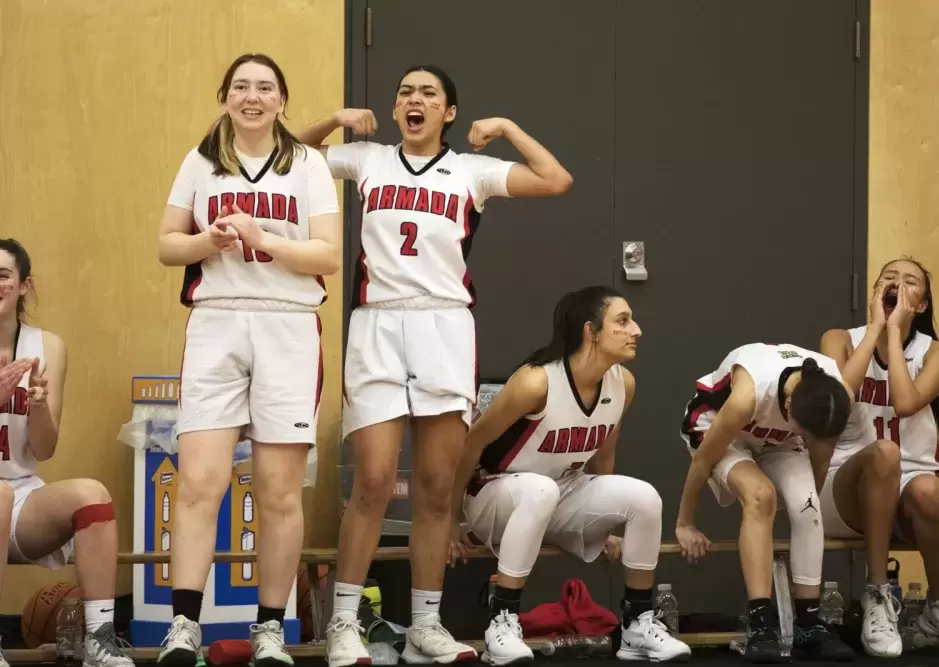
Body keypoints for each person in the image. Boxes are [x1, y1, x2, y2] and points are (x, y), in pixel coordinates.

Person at [294, 65, 573, 665]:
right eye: (404, 93)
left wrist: (509, 127)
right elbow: (290, 155)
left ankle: (426, 622)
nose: (413, 100)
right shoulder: (365, 158)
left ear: (448, 112)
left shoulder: (470, 171)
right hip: (377, 322)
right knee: (371, 480)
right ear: (395, 111)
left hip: (446, 325)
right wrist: (336, 121)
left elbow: (556, 180)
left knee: (435, 488)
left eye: (428, 94)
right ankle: (344, 620)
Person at [155, 53, 342, 667]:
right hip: (217, 322)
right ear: (226, 96)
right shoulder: (201, 159)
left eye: (265, 87)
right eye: (241, 86)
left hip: (287, 326)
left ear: (283, 100)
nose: (252, 96)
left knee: (279, 491)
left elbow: (328, 257)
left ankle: (269, 628)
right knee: (199, 482)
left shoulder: (308, 162)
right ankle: (184, 625)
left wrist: (265, 239)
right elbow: (166, 245)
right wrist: (209, 241)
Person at [447, 286, 691, 664]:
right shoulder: (536, 382)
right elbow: (471, 443)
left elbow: (604, 452)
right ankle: (501, 621)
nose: (637, 330)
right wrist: (448, 521)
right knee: (540, 489)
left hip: (559, 494)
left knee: (644, 497)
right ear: (590, 331)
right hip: (493, 495)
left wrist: (607, 524)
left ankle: (636, 625)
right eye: (623, 321)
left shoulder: (623, 384)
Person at [818, 257, 939, 658]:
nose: (897, 284)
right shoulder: (838, 338)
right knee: (883, 453)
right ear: (875, 293)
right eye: (888, 279)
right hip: (845, 487)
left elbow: (906, 402)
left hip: (906, 493)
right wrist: (878, 329)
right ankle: (877, 595)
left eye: (910, 281)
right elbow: (841, 394)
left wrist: (894, 336)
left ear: (923, 304)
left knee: (931, 491)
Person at [676, 342, 856, 662]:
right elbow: (703, 461)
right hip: (720, 428)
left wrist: (806, 509)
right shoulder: (750, 392)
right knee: (761, 496)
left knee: (806, 503)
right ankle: (760, 623)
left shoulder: (836, 395)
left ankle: (809, 625)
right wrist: (685, 522)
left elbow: (821, 452)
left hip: (778, 437)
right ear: (788, 406)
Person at [0, 238, 134, 667]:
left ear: (23, 286)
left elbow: (45, 448)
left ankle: (100, 639)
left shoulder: (48, 347)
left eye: (3, 276)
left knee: (92, 495)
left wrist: (38, 405)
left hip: (20, 498)